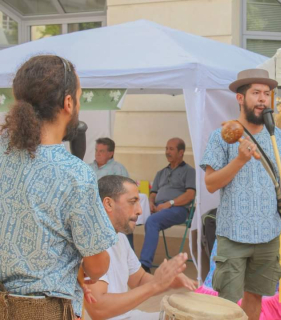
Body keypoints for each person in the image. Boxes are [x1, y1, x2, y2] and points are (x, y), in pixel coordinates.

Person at [0, 55, 117, 319]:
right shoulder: (75, 173)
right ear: (68, 103)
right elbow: (97, 266)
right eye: (79, 96)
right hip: (44, 310)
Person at [200, 69, 281, 320]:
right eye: (256, 93)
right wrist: (239, 160)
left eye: (266, 94)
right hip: (233, 234)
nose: (262, 99)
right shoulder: (222, 136)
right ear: (240, 98)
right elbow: (210, 184)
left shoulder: (279, 138)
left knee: (255, 296)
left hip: (268, 235)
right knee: (227, 303)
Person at [85, 175, 196, 320]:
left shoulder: (120, 238)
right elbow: (98, 310)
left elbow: (139, 279)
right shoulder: (91, 242)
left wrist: (168, 281)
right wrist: (156, 284)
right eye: (132, 202)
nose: (139, 211)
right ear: (108, 204)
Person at [139, 138, 196, 272]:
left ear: (181, 152)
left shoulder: (189, 171)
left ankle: (144, 265)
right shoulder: (161, 172)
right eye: (166, 149)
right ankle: (127, 260)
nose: (167, 152)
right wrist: (151, 202)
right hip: (158, 208)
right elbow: (153, 193)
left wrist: (169, 204)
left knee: (152, 221)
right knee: (129, 217)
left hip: (178, 209)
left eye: (171, 149)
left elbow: (190, 195)